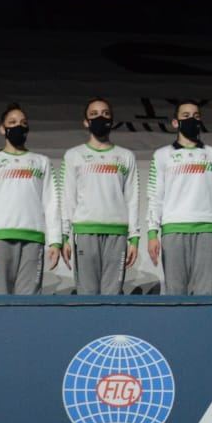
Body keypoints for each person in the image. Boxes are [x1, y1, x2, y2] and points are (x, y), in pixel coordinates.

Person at [0, 103, 61, 294]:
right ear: (2, 128)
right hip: (1, 238)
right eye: (12, 122)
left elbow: (51, 203)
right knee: (1, 298)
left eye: (23, 123)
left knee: (30, 301)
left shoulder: (41, 161)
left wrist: (55, 241)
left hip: (33, 239)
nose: (18, 126)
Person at [147, 101, 212, 295]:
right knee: (175, 295)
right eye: (185, 116)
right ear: (175, 122)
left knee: (206, 295)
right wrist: (152, 234)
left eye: (196, 116)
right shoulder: (162, 155)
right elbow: (155, 196)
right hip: (172, 231)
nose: (191, 120)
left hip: (206, 231)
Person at [59, 98, 139, 294]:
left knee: (112, 296)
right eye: (94, 114)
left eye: (105, 114)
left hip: (117, 233)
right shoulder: (74, 155)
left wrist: (134, 238)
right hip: (85, 232)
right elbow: (68, 198)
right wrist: (64, 236)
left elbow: (132, 199)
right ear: (86, 122)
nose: (100, 118)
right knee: (87, 295)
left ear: (111, 120)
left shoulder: (126, 156)